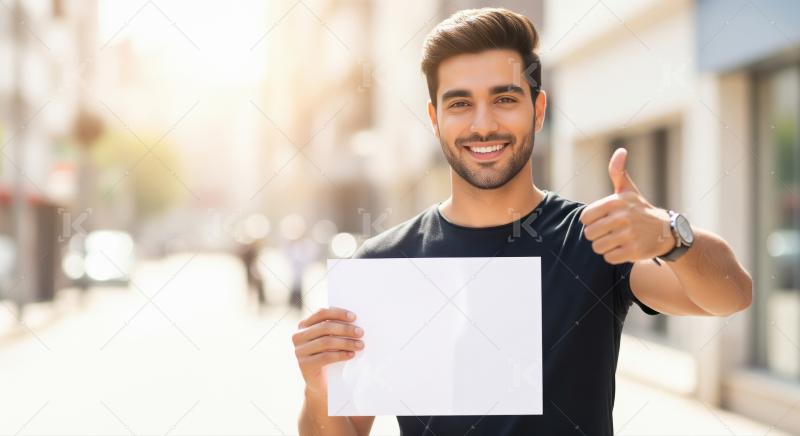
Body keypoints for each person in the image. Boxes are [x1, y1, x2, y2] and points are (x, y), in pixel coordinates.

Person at [292, 7, 753, 435]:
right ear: (434, 119)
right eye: (459, 104)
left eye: (504, 98)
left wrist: (671, 236)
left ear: (538, 110)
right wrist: (318, 388)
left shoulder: (593, 237)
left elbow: (730, 295)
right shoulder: (383, 264)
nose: (482, 123)